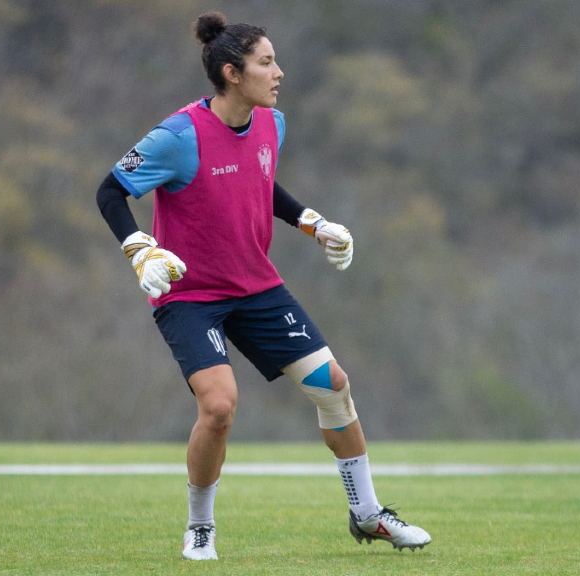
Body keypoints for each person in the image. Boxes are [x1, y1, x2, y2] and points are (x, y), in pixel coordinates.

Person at [96, 11, 431, 561]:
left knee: (333, 385)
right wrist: (138, 249)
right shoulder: (177, 136)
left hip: (256, 287)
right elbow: (110, 191)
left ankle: (368, 515)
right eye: (267, 62)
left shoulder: (271, 123)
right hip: (190, 296)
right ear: (232, 73)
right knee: (220, 407)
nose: (279, 72)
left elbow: (260, 181)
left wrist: (313, 223)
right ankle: (200, 527)